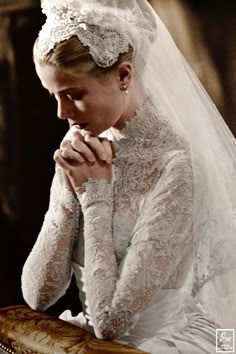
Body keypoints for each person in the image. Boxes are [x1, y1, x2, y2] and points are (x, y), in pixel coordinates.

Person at [21, 0, 236, 353]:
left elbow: (110, 323)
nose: (62, 113)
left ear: (123, 75)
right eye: (54, 97)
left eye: (74, 95)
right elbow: (38, 295)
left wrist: (95, 197)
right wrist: (66, 192)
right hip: (89, 341)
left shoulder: (175, 165)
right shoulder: (84, 143)